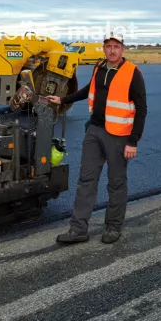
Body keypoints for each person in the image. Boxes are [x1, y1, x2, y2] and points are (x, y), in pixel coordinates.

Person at [47, 33, 147, 245]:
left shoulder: (133, 73)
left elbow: (141, 108)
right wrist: (63, 99)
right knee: (86, 180)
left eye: (116, 47)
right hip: (94, 130)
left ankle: (113, 227)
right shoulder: (99, 67)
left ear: (123, 49)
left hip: (119, 136)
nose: (112, 50)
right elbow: (88, 90)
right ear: (103, 48)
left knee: (116, 182)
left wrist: (133, 140)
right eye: (108, 46)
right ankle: (78, 229)